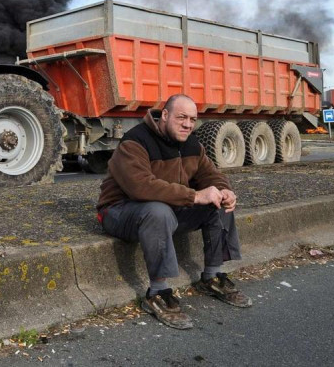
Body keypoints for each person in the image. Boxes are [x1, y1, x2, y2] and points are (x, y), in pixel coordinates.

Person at [96, 94, 251, 330]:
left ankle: (211, 276)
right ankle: (157, 292)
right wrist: (195, 195)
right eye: (181, 117)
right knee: (158, 211)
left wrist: (223, 190)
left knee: (218, 202)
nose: (188, 124)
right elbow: (141, 186)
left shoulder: (192, 143)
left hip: (167, 208)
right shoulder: (134, 142)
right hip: (120, 211)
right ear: (165, 115)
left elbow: (211, 175)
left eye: (192, 119)